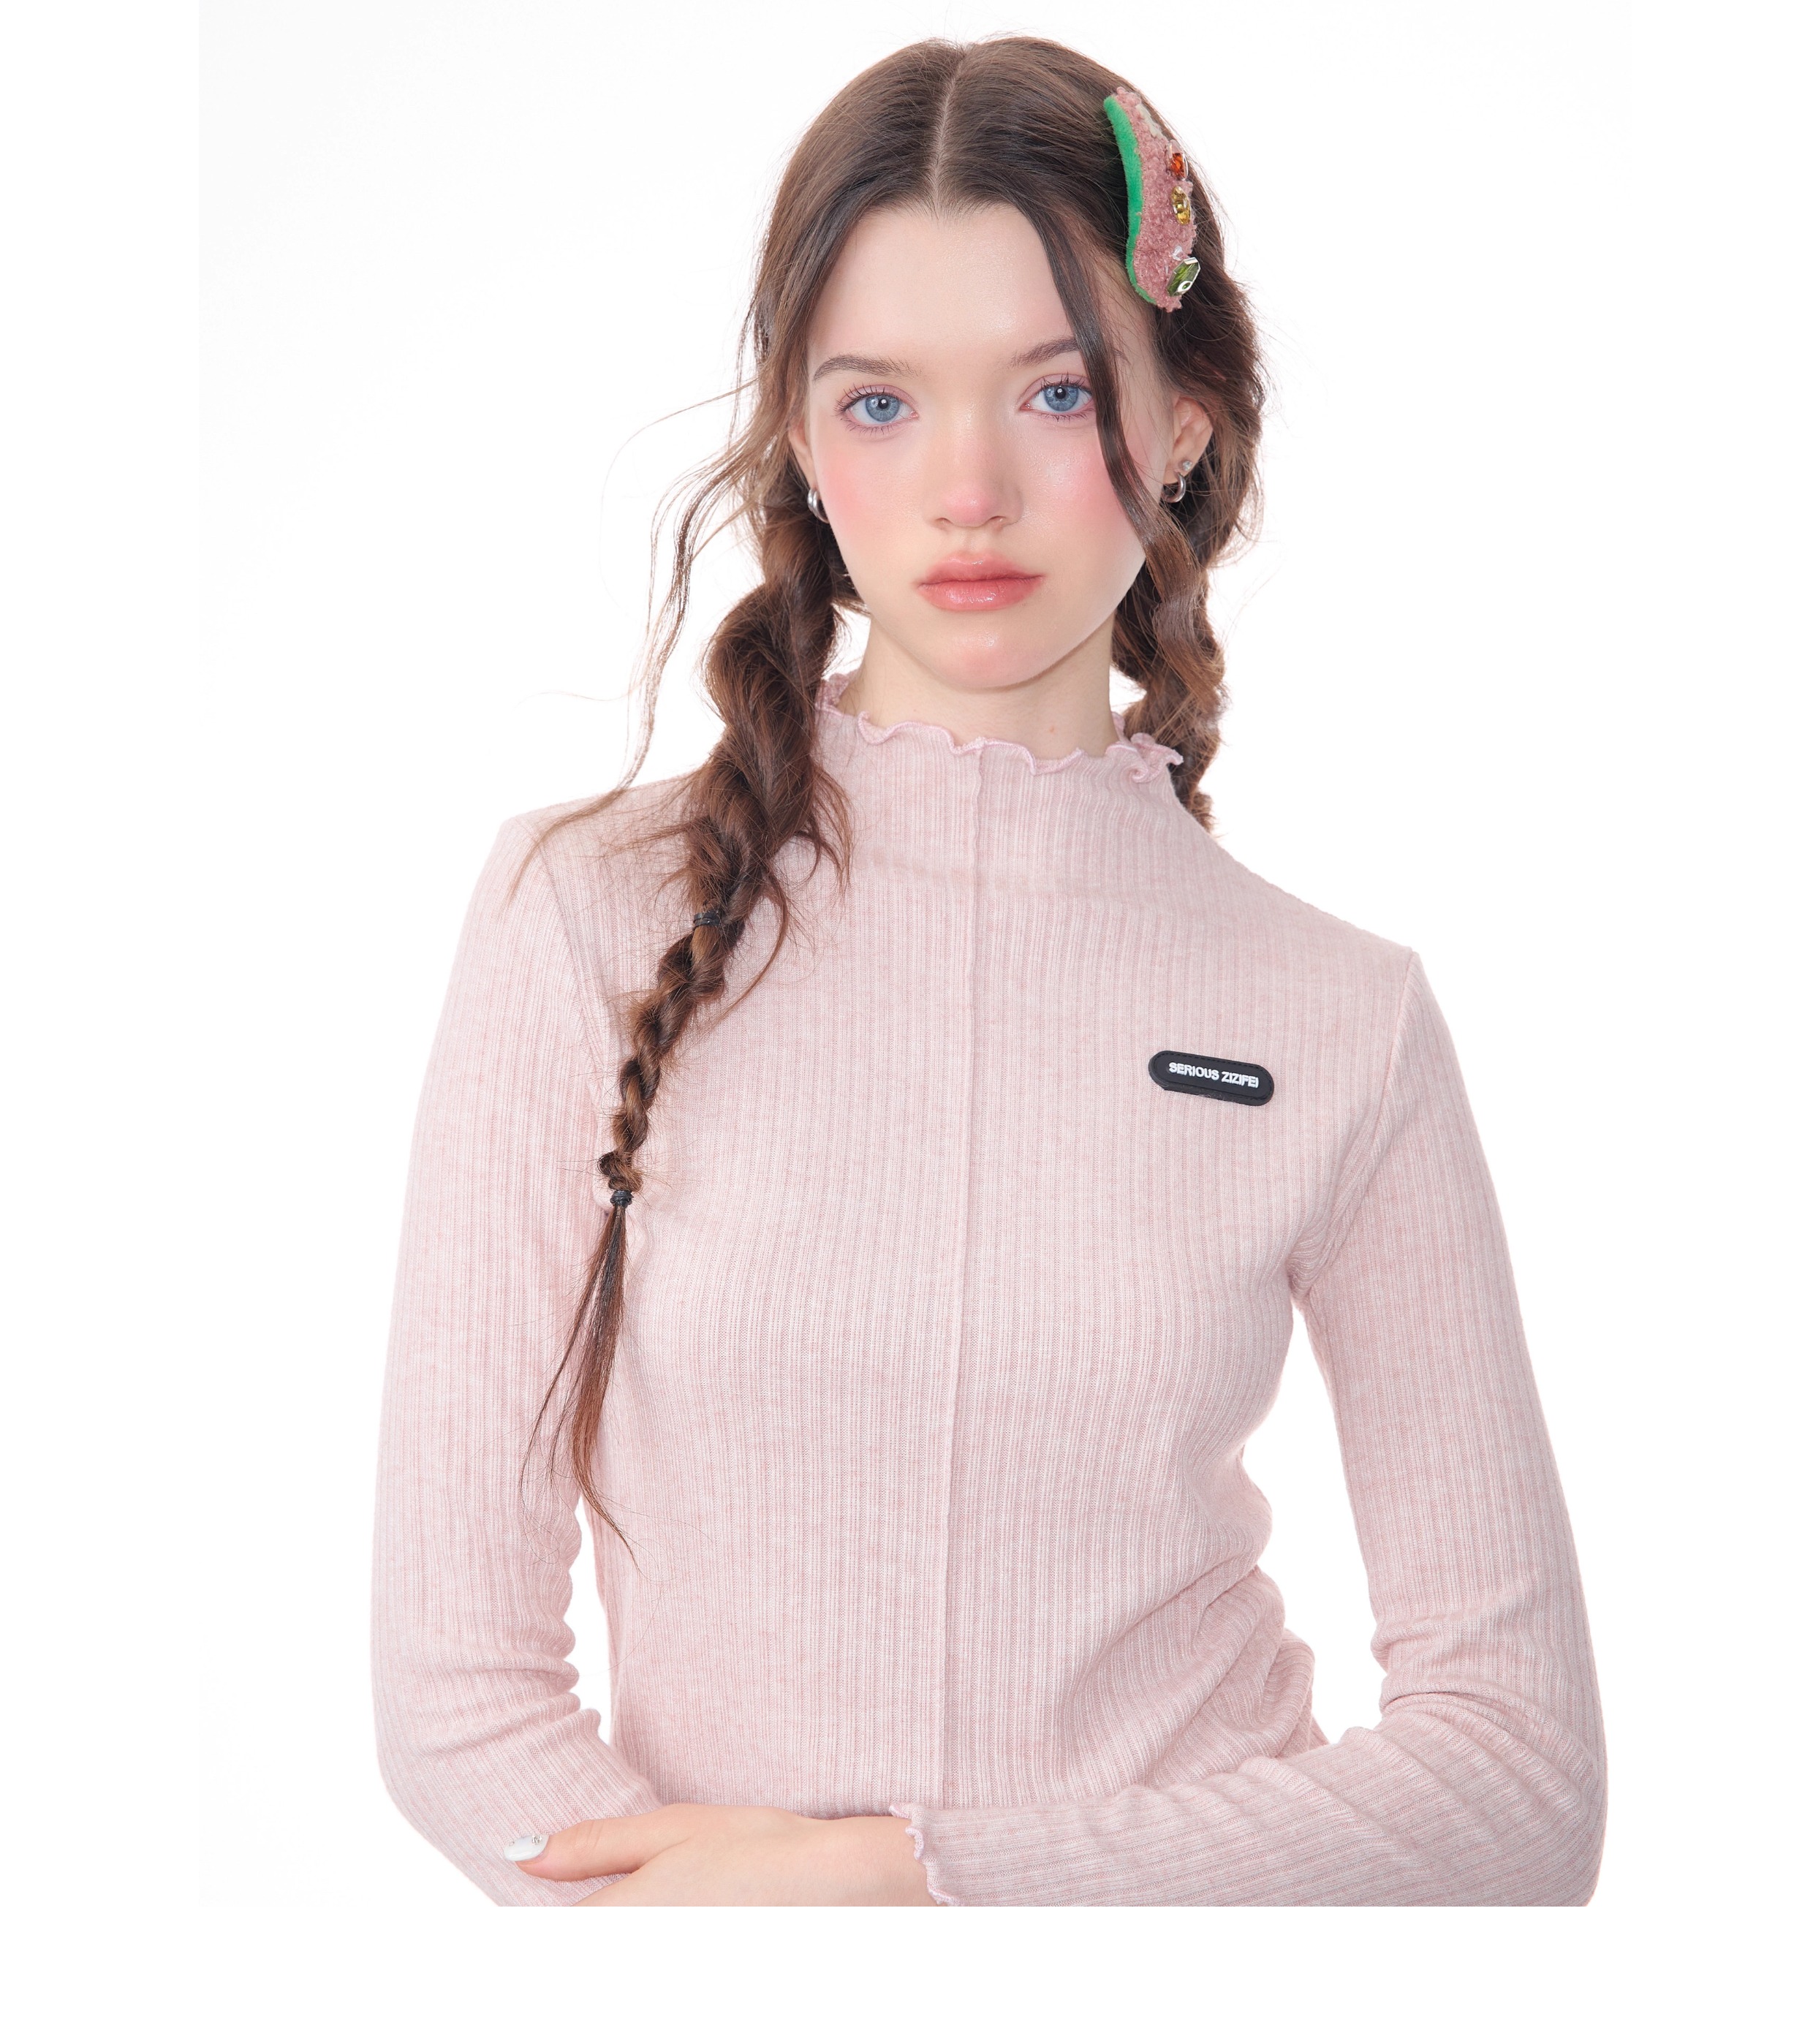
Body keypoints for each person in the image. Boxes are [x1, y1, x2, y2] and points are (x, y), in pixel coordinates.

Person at [371, 34, 1606, 1907]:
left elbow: (1518, 1779)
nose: (966, 489)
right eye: (879, 403)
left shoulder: (1339, 1016)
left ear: (1182, 423)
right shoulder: (583, 918)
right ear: (799, 438)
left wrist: (907, 1884)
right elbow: (457, 1698)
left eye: (1054, 391)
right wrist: (742, 1969)